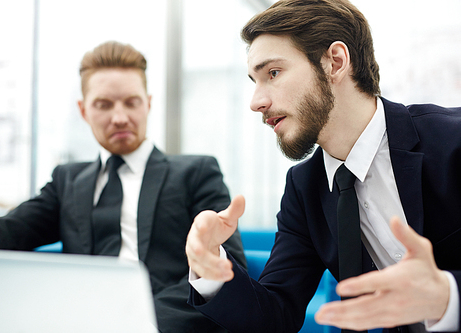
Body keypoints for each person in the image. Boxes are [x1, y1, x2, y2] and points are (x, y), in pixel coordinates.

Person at [185, 1, 461, 333]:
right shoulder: (304, 189)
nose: (256, 101)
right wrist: (212, 272)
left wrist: (448, 297)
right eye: (254, 81)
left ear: (335, 62)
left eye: (273, 73)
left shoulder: (451, 141)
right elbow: (275, 314)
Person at [0, 41, 247, 333]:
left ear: (148, 103)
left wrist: (143, 325)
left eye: (131, 102)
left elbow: (227, 264)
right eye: (104, 104)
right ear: (84, 110)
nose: (120, 117)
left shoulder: (196, 173)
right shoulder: (67, 181)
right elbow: (8, 230)